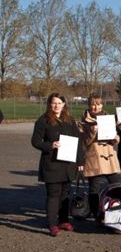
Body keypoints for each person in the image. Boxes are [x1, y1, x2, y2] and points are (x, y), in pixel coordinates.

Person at [31, 93, 85, 236]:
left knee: (65, 194)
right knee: (53, 194)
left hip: (68, 164)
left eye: (59, 103)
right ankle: (52, 224)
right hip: (52, 163)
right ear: (49, 104)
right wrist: (50, 145)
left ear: (64, 104)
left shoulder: (70, 120)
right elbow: (35, 141)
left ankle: (63, 220)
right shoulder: (43, 120)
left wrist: (80, 161)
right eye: (54, 103)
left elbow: (78, 141)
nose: (56, 106)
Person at [80, 93, 121, 220]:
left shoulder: (109, 119)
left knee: (118, 185)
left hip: (109, 158)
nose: (96, 107)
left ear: (102, 105)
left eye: (98, 104)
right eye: (93, 104)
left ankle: (115, 210)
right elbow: (83, 143)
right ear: (89, 105)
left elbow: (111, 141)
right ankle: (96, 215)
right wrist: (92, 132)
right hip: (94, 158)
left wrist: (116, 139)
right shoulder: (83, 122)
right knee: (94, 189)